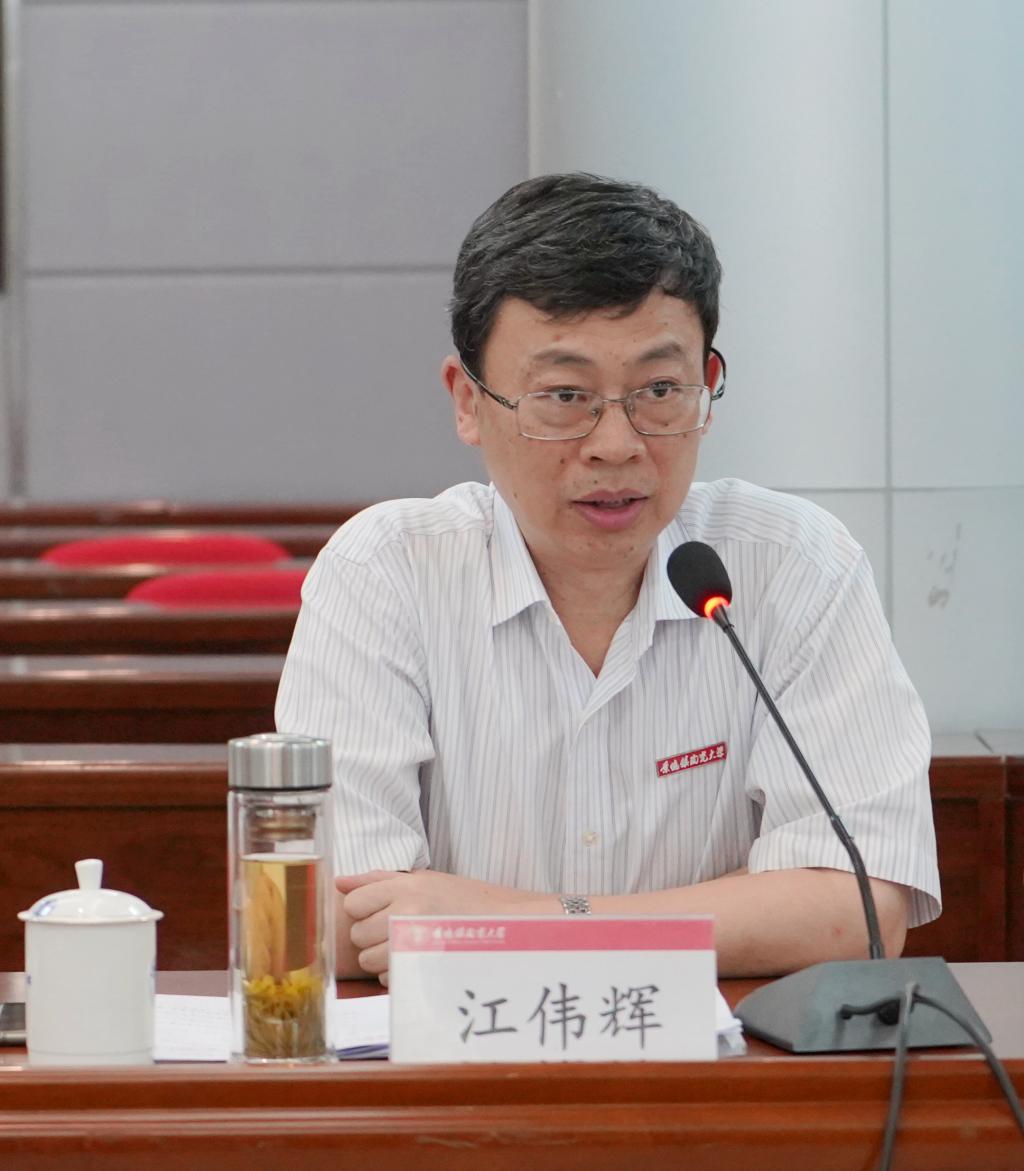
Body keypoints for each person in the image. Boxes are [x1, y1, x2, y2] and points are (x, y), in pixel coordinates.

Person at [276, 172, 940, 984]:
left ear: (708, 383)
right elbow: (332, 917)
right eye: (565, 395)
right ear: (468, 401)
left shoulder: (795, 564)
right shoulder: (384, 572)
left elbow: (859, 909)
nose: (616, 444)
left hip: (722, 1059)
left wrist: (517, 923)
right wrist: (717, 917)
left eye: (659, 390)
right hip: (458, 1056)